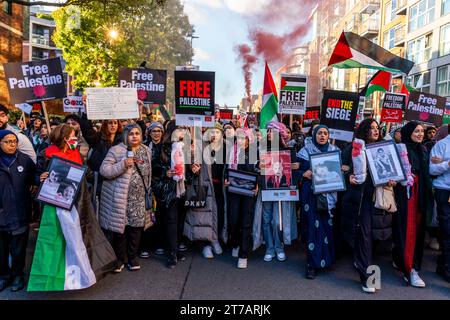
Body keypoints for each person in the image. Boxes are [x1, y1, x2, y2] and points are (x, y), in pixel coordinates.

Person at [341, 119, 394, 293]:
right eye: (371, 128)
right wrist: (348, 176)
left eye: (377, 128)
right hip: (361, 198)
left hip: (378, 198)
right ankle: (366, 276)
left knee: (371, 236)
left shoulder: (383, 148)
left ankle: (361, 262)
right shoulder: (352, 148)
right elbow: (341, 169)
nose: (375, 130)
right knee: (364, 235)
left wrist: (393, 179)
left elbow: (390, 169)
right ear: (364, 130)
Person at [99, 124, 152, 272]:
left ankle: (133, 257)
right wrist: (123, 165)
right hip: (120, 197)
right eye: (131, 134)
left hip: (139, 198)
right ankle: (119, 259)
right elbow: (104, 171)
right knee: (120, 229)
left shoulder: (146, 150)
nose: (135, 136)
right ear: (125, 136)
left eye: (137, 133)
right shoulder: (116, 150)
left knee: (136, 228)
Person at [393, 121, 433, 288]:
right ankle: (410, 269)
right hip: (406, 196)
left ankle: (406, 261)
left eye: (422, 131)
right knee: (407, 231)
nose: (420, 134)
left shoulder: (423, 150)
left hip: (421, 196)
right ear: (408, 132)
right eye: (416, 131)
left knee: (417, 231)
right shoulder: (401, 149)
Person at [297, 125, 339, 280]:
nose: (322, 136)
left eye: (325, 133)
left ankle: (327, 260)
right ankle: (312, 265)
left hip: (328, 195)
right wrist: (304, 174)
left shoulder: (335, 151)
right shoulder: (305, 151)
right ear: (314, 135)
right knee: (313, 229)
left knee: (327, 227)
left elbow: (338, 172)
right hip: (311, 195)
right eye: (319, 133)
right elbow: (296, 171)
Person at [0, 130, 36, 292]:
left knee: (18, 249)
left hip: (19, 212)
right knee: (1, 249)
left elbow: (35, 175)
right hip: (1, 215)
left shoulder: (24, 160)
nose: (12, 144)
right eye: (7, 141)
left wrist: (41, 177)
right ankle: (3, 276)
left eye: (14, 141)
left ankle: (17, 276)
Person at [259, 121, 298, 263]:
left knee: (277, 221)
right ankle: (269, 248)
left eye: (272, 131)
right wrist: (258, 166)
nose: (269, 134)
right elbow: (255, 169)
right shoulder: (260, 148)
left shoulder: (288, 149)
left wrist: (295, 167)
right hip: (266, 189)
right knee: (266, 219)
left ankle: (278, 246)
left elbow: (293, 171)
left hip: (281, 190)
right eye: (268, 131)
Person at [151, 120, 187, 268]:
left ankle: (175, 249)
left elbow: (190, 167)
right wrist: (165, 172)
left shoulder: (187, 147)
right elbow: (154, 167)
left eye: (184, 129)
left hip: (183, 188)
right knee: (171, 220)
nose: (183, 131)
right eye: (180, 129)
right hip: (169, 188)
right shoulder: (162, 147)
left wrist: (193, 168)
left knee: (179, 221)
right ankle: (171, 254)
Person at [225, 127, 259, 269]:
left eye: (243, 138)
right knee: (234, 220)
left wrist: (258, 185)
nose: (240, 141)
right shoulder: (231, 152)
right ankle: (236, 243)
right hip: (234, 191)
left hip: (249, 193)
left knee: (246, 221)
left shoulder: (255, 152)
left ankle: (243, 255)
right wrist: (226, 180)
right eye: (238, 138)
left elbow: (260, 171)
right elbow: (227, 170)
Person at [79, 113, 123, 197]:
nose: (113, 125)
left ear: (118, 125)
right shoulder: (98, 138)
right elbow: (86, 130)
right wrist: (85, 112)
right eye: (110, 123)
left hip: (117, 182)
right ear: (106, 124)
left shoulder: (123, 141)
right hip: (100, 181)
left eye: (115, 123)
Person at [140, 121, 166, 258]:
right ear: (149, 133)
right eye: (153, 131)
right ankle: (145, 246)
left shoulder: (166, 147)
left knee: (159, 217)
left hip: (162, 188)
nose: (156, 133)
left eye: (159, 131)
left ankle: (159, 244)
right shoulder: (143, 147)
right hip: (147, 187)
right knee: (146, 217)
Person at [429, 124, 450, 283]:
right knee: (447, 228)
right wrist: (447, 164)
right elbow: (432, 170)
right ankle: (447, 267)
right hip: (444, 190)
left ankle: (442, 263)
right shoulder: (441, 145)